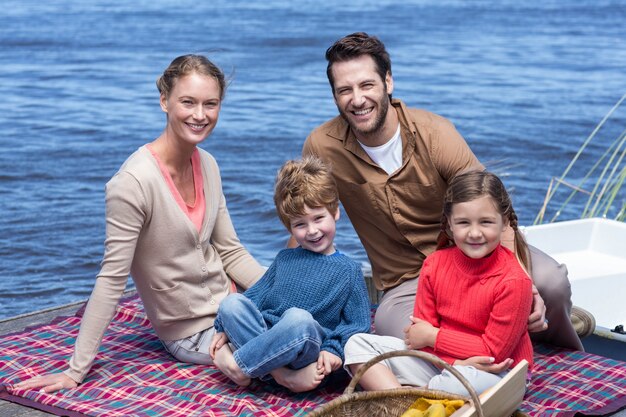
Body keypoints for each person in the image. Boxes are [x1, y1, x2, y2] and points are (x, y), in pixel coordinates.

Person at [300, 32, 583, 355]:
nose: (357, 99)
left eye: (367, 85)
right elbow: (306, 215)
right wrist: (289, 279)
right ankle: (478, 356)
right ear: (335, 96)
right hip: (407, 281)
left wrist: (523, 282)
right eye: (344, 90)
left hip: (477, 255)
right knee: (402, 334)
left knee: (551, 283)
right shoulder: (321, 146)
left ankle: (564, 358)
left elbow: (494, 209)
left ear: (388, 82)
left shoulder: (435, 134)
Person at [14, 54, 266, 393]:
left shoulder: (207, 164)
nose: (200, 115)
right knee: (296, 350)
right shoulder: (133, 182)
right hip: (188, 331)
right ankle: (240, 360)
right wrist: (75, 370)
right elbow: (112, 278)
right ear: (164, 101)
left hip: (233, 307)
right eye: (188, 102)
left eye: (211, 104)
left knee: (306, 318)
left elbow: (231, 252)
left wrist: (281, 289)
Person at [344, 170, 534, 396]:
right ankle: (402, 399)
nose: (474, 233)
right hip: (441, 363)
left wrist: (434, 337)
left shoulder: (514, 281)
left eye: (486, 222)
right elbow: (417, 338)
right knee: (357, 345)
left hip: (496, 374)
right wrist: (452, 364)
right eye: (463, 222)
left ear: (504, 224)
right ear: (450, 225)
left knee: (458, 383)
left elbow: (494, 353)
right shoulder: (435, 264)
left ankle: (418, 398)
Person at [209, 157, 371, 393]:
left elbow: (358, 324)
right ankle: (281, 375)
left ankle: (239, 364)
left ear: (335, 212)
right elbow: (254, 297)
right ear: (289, 228)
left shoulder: (348, 270)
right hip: (271, 339)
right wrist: (222, 326)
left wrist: (333, 349)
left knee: (297, 318)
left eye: (318, 218)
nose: (312, 231)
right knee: (232, 303)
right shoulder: (285, 258)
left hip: (307, 350)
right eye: (300, 225)